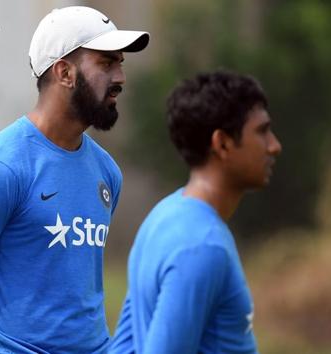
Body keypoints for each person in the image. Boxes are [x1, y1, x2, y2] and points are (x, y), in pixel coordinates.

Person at [0, 6, 149, 354]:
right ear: (64, 72)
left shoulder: (107, 172)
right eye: (105, 63)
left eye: (120, 63)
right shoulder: (0, 169)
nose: (120, 77)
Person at [110, 70, 282, 354]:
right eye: (262, 132)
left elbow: (125, 347)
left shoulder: (163, 216)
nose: (275, 146)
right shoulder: (202, 246)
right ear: (222, 143)